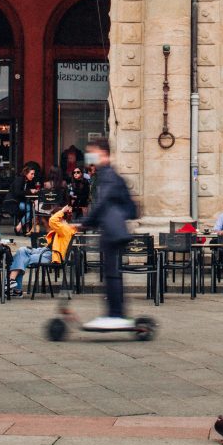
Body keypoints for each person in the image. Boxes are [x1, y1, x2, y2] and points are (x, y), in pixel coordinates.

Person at [80, 137, 138, 327]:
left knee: (112, 273)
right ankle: (115, 313)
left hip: (113, 230)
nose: (90, 157)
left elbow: (102, 203)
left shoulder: (109, 175)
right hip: (112, 228)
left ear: (102, 153)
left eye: (92, 152)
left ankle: (115, 315)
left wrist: (85, 222)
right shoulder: (107, 174)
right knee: (111, 272)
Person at [9, 204, 77, 298]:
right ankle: (12, 284)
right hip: (44, 251)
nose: (51, 218)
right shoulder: (61, 228)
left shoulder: (65, 228)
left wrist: (62, 211)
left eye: (54, 215)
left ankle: (13, 285)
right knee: (21, 250)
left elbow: (52, 221)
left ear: (60, 217)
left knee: (21, 258)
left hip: (52, 256)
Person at [8, 165, 40, 234]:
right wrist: (30, 191)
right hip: (13, 202)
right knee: (31, 209)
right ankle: (19, 227)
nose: (33, 176)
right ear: (26, 173)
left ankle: (24, 227)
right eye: (31, 174)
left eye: (34, 174)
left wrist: (33, 191)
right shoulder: (19, 180)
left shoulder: (28, 181)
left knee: (32, 208)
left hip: (20, 202)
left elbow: (27, 192)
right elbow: (17, 193)